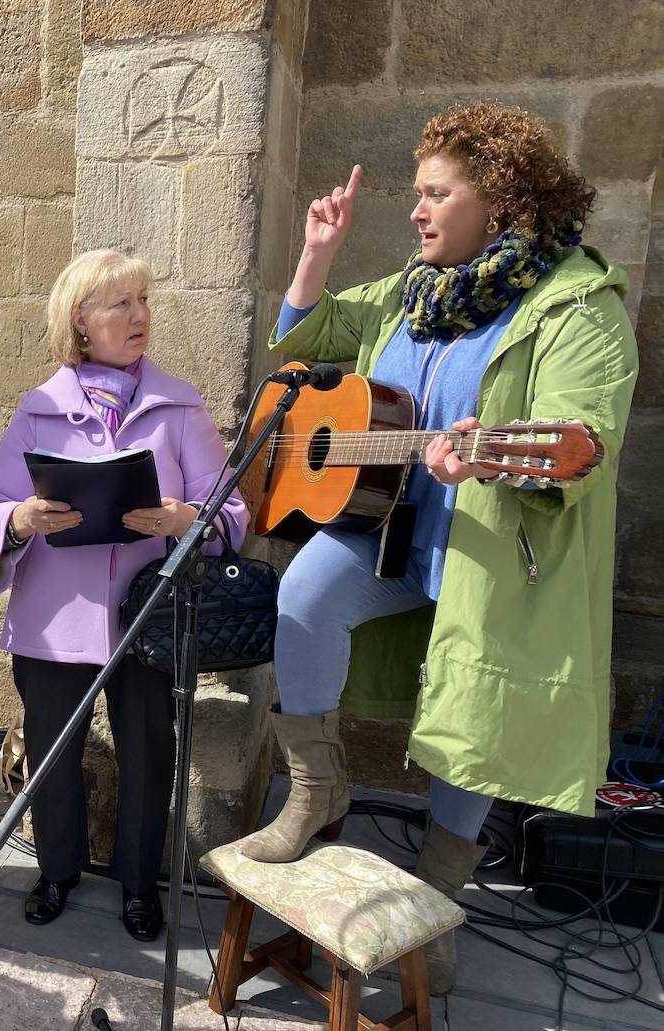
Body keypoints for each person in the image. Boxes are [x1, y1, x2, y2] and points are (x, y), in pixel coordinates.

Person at [235, 103, 639, 994]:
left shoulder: (576, 302)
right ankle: (316, 790)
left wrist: (489, 455)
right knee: (302, 598)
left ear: (497, 198)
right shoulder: (418, 289)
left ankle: (438, 895)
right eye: (417, 193)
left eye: (434, 193)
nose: (417, 211)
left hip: (495, 546)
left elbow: (582, 434)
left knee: (471, 712)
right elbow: (311, 339)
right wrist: (315, 253)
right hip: (392, 535)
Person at [0, 248, 248, 942]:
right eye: (119, 303)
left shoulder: (180, 406)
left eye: (143, 300)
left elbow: (233, 511)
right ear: (81, 322)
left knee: (150, 752)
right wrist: (23, 518)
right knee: (52, 749)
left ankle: (136, 884)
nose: (138, 315)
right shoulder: (37, 410)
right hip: (52, 619)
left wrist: (185, 518)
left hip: (147, 619)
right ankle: (58, 868)